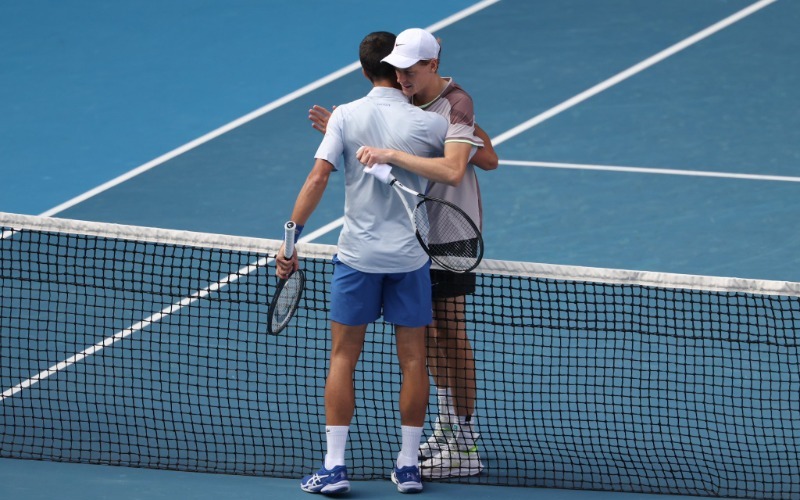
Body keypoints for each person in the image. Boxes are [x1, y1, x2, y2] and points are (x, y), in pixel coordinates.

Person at [309, 28, 498, 480]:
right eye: (397, 69)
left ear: (432, 66)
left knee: (450, 333)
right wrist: (347, 126)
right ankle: (448, 424)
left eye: (410, 70)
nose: (401, 76)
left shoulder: (455, 104)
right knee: (428, 337)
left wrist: (401, 150)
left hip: (449, 232)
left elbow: (483, 160)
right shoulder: (407, 101)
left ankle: (466, 440)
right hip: (412, 237)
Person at [278, 31, 448, 495]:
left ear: (362, 70)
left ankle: (334, 468)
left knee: (342, 358)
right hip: (411, 259)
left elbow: (317, 179)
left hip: (357, 258)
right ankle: (409, 466)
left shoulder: (347, 118)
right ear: (400, 69)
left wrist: (290, 244)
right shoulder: (430, 126)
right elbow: (474, 162)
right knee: (414, 361)